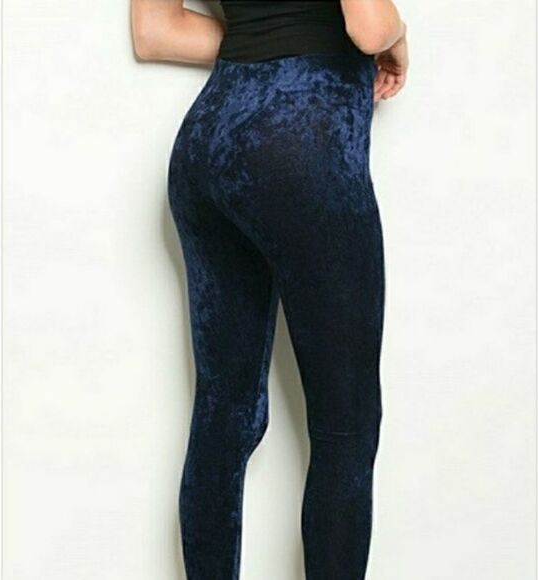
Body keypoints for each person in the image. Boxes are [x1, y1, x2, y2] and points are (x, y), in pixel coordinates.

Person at [131, 1, 408, 579]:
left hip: (206, 143)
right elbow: (370, 27)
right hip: (300, 141)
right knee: (346, 426)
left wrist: (266, 31)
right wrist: (398, 37)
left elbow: (156, 31)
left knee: (225, 414)